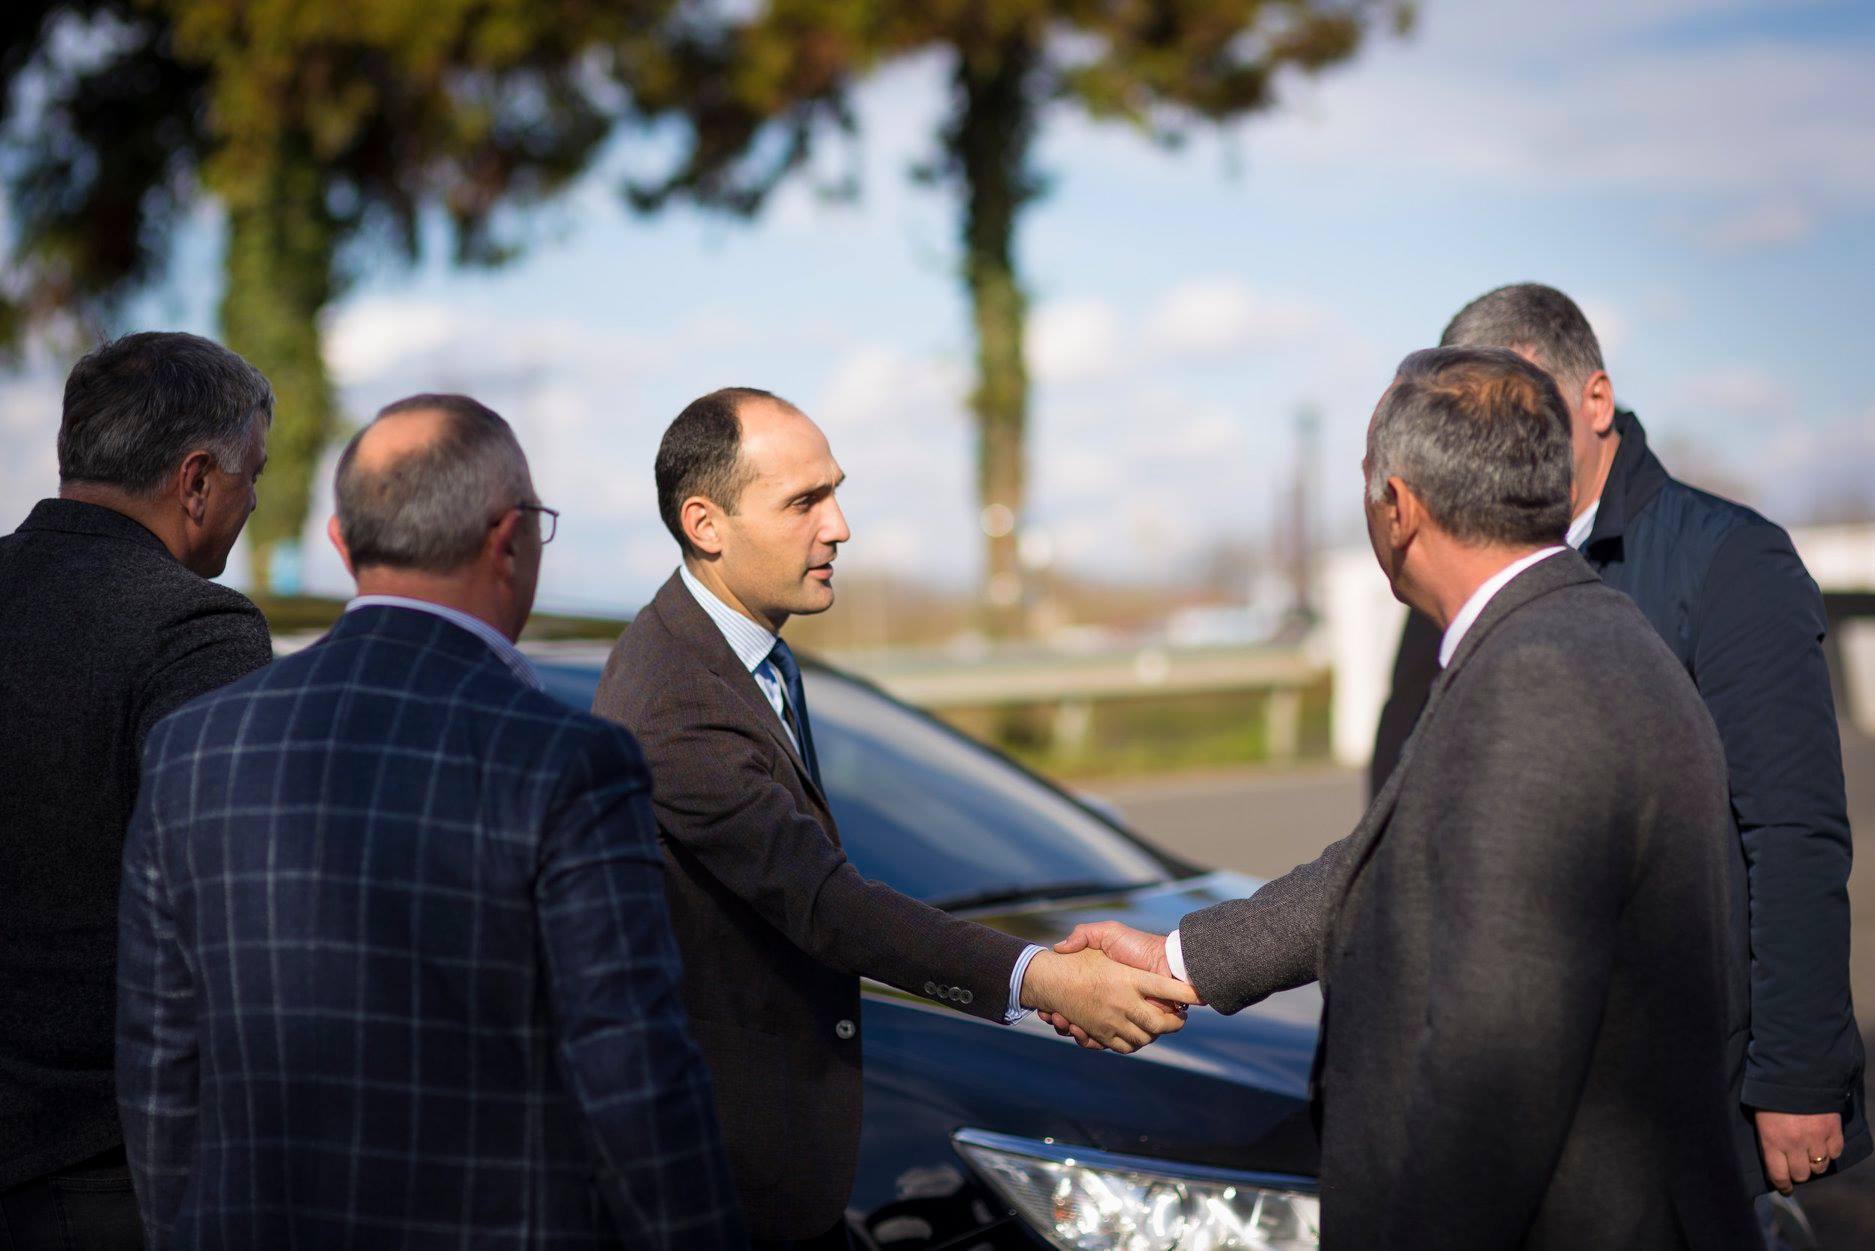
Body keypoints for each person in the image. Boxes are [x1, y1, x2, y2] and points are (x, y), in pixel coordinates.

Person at [1056, 348, 1759, 1248]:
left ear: (1398, 505)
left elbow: (1497, 1062)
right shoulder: (1572, 632)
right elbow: (1386, 859)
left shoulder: (1535, 684)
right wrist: (1178, 958)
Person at [117, 394, 744, 1248]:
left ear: (341, 545)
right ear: (509, 539)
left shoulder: (193, 748)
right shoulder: (567, 759)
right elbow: (635, 1081)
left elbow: (160, 1069)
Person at [591, 387, 1198, 1249]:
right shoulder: (674, 699)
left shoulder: (740, 652)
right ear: (705, 523)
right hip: (725, 1191)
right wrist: (1041, 978)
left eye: (834, 493)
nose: (838, 527)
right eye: (803, 502)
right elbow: (821, 901)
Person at [1369, 284, 1865, 1200]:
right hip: (1522, 1083)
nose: (1509, 437)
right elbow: (1398, 813)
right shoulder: (1455, 571)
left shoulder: (1728, 561)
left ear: (1595, 399)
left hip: (1692, 1089)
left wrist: (1797, 1072)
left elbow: (1791, 831)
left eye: (1531, 406)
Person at [0, 332, 274, 1249]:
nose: (252, 501)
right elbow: (231, 912)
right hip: (100, 1164)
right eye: (252, 474)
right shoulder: (198, 628)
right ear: (195, 479)